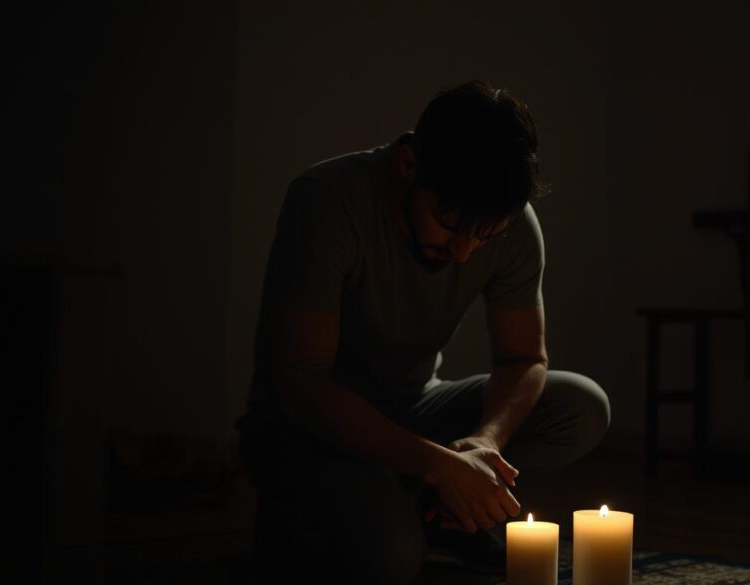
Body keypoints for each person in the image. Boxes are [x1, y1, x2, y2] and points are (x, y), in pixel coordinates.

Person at [235, 81, 610, 584]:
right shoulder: (326, 202)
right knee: (386, 561)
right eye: (449, 224)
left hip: (415, 408)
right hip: (308, 431)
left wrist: (482, 444)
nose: (463, 252)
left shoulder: (512, 223)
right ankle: (354, 518)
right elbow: (304, 387)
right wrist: (437, 466)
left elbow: (524, 359)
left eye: (485, 236)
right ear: (408, 165)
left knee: (581, 406)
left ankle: (436, 513)